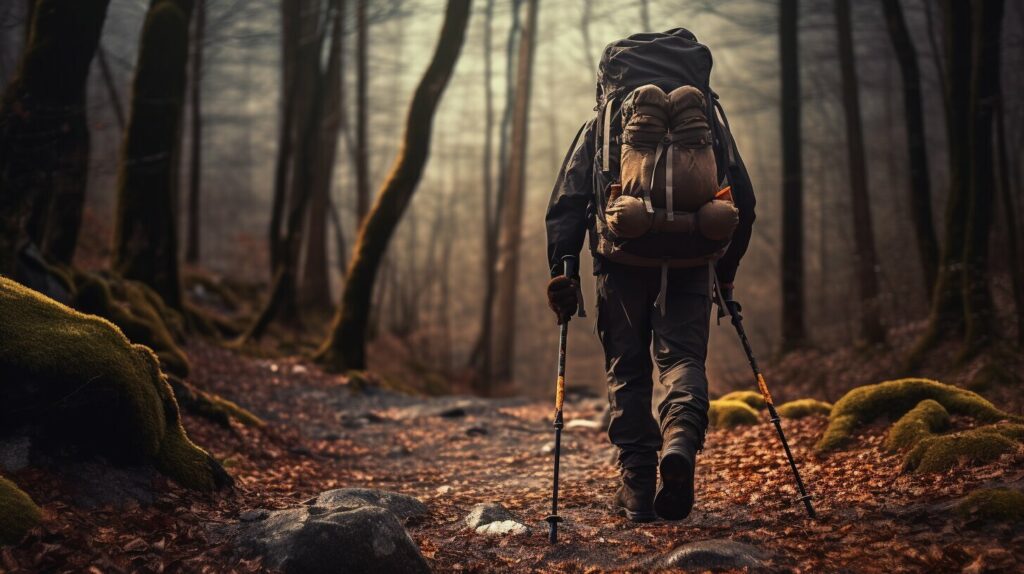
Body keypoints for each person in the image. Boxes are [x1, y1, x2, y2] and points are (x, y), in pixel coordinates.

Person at [544, 29, 756, 523]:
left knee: (628, 368)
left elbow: (568, 203)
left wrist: (564, 271)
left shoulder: (604, 125)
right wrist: (725, 275)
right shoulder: (707, 124)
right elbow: (743, 201)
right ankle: (680, 442)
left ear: (608, 80)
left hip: (621, 262)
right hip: (693, 261)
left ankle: (637, 486)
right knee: (683, 360)